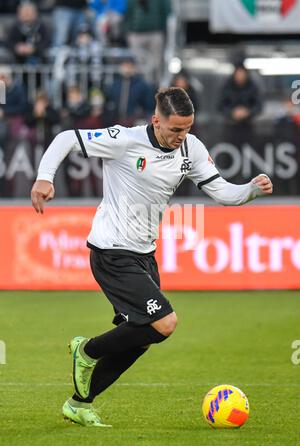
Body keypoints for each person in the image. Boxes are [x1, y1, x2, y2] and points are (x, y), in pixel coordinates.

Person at [31, 87, 273, 427]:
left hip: (145, 255)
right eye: (175, 129)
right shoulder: (124, 140)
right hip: (111, 250)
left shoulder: (191, 147)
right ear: (156, 120)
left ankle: (79, 403)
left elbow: (223, 193)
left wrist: (249, 189)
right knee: (165, 323)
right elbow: (66, 138)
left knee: (142, 337)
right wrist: (44, 178)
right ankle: (86, 351)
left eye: (187, 128)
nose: (181, 136)